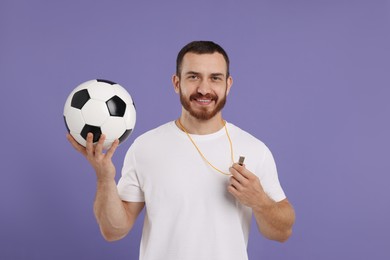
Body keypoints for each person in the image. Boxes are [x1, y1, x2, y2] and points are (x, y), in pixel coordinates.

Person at [67, 41, 295, 260]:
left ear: (228, 84)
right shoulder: (145, 147)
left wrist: (259, 201)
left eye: (215, 78)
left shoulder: (255, 149)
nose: (204, 89)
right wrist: (104, 178)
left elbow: (281, 232)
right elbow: (113, 231)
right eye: (193, 77)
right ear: (177, 83)